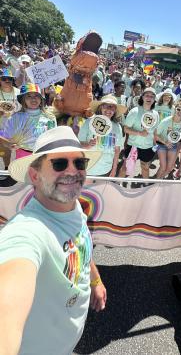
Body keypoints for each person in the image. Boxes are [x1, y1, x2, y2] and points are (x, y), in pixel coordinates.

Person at [0, 126, 107, 355]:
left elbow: (80, 242)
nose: (72, 171)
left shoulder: (73, 205)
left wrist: (95, 281)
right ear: (35, 175)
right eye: (59, 163)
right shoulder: (25, 232)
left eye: (79, 163)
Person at [0, 83, 57, 159]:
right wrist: (8, 144)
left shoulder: (50, 117)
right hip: (21, 157)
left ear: (41, 99)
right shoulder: (15, 118)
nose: (33, 99)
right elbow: (5, 138)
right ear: (23, 100)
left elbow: (54, 138)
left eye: (36, 96)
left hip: (43, 156)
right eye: (29, 96)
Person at [78, 95, 125, 177]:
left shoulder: (117, 127)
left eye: (112, 107)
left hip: (106, 170)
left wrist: (114, 169)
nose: (109, 109)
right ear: (100, 108)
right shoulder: (88, 122)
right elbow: (77, 145)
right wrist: (88, 145)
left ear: (115, 111)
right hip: (88, 169)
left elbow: (117, 150)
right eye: (106, 106)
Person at [119, 87, 159, 179]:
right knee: (125, 168)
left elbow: (154, 131)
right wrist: (139, 133)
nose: (149, 98)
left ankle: (145, 187)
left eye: (152, 96)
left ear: (154, 99)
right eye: (147, 95)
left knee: (145, 167)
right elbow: (125, 129)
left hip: (147, 147)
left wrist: (155, 145)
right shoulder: (134, 111)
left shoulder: (155, 114)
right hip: (133, 146)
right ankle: (117, 185)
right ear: (142, 97)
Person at [155, 99, 181, 179]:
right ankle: (156, 182)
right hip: (162, 144)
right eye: (178, 109)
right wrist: (165, 142)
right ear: (175, 109)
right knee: (163, 167)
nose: (180, 111)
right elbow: (156, 135)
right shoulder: (165, 121)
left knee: (169, 168)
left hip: (173, 145)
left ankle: (159, 180)